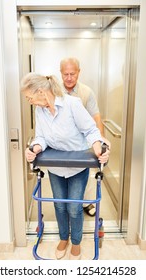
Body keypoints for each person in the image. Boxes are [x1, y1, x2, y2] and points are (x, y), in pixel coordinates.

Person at [20, 73, 109, 260]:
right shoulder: (40, 111)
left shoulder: (72, 104)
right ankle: (63, 238)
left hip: (77, 167)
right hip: (56, 167)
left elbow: (91, 130)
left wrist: (99, 148)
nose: (29, 101)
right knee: (60, 206)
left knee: (74, 208)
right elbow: (41, 137)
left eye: (30, 97)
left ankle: (75, 242)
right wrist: (34, 149)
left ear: (42, 92)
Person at [60, 57, 111, 216]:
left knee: (84, 172)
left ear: (79, 73)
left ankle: (86, 203)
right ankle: (68, 203)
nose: (69, 78)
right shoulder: (55, 91)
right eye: (65, 74)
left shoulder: (86, 92)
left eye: (72, 74)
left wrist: (100, 138)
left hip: (82, 141)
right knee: (64, 173)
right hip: (62, 142)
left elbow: (96, 117)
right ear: (61, 73)